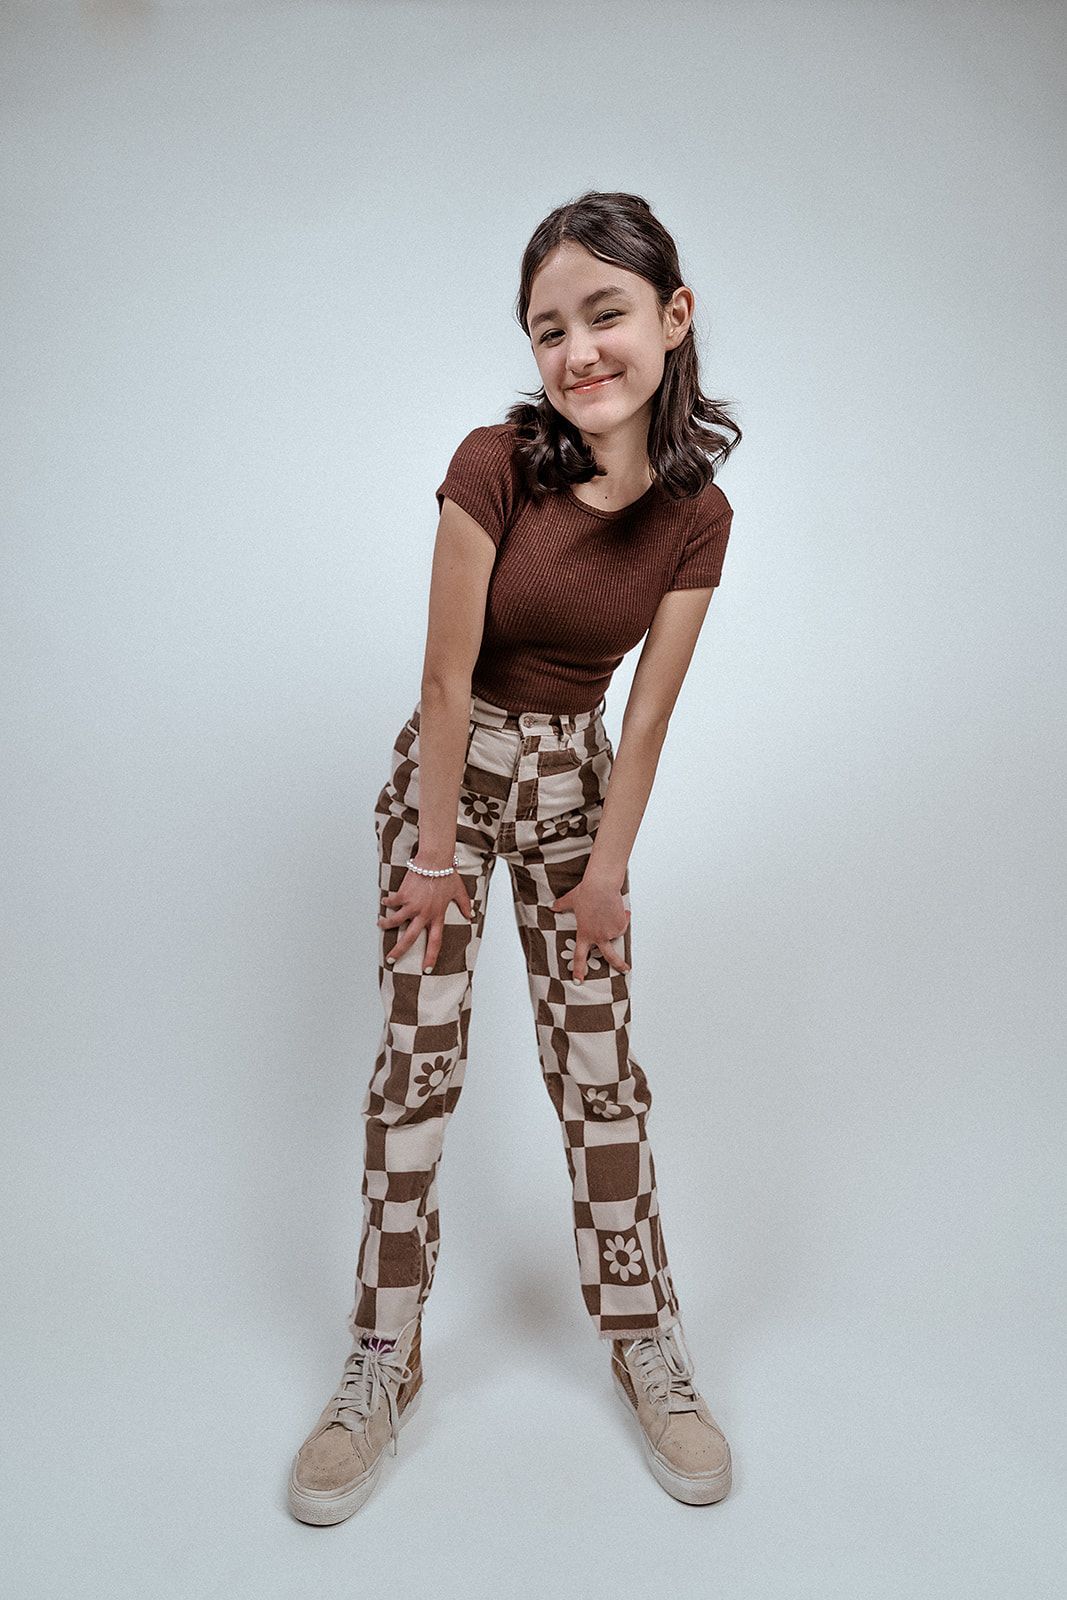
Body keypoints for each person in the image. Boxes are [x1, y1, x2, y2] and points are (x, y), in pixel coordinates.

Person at [288, 189, 742, 1523]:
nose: (578, 348)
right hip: (448, 779)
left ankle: (645, 1340)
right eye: (550, 326)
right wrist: (431, 857)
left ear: (673, 314)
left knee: (601, 1075)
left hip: (574, 793)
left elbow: (647, 713)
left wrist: (606, 873)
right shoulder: (494, 459)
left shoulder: (696, 516)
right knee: (416, 1073)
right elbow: (442, 676)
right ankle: (382, 1353)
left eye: (606, 312)